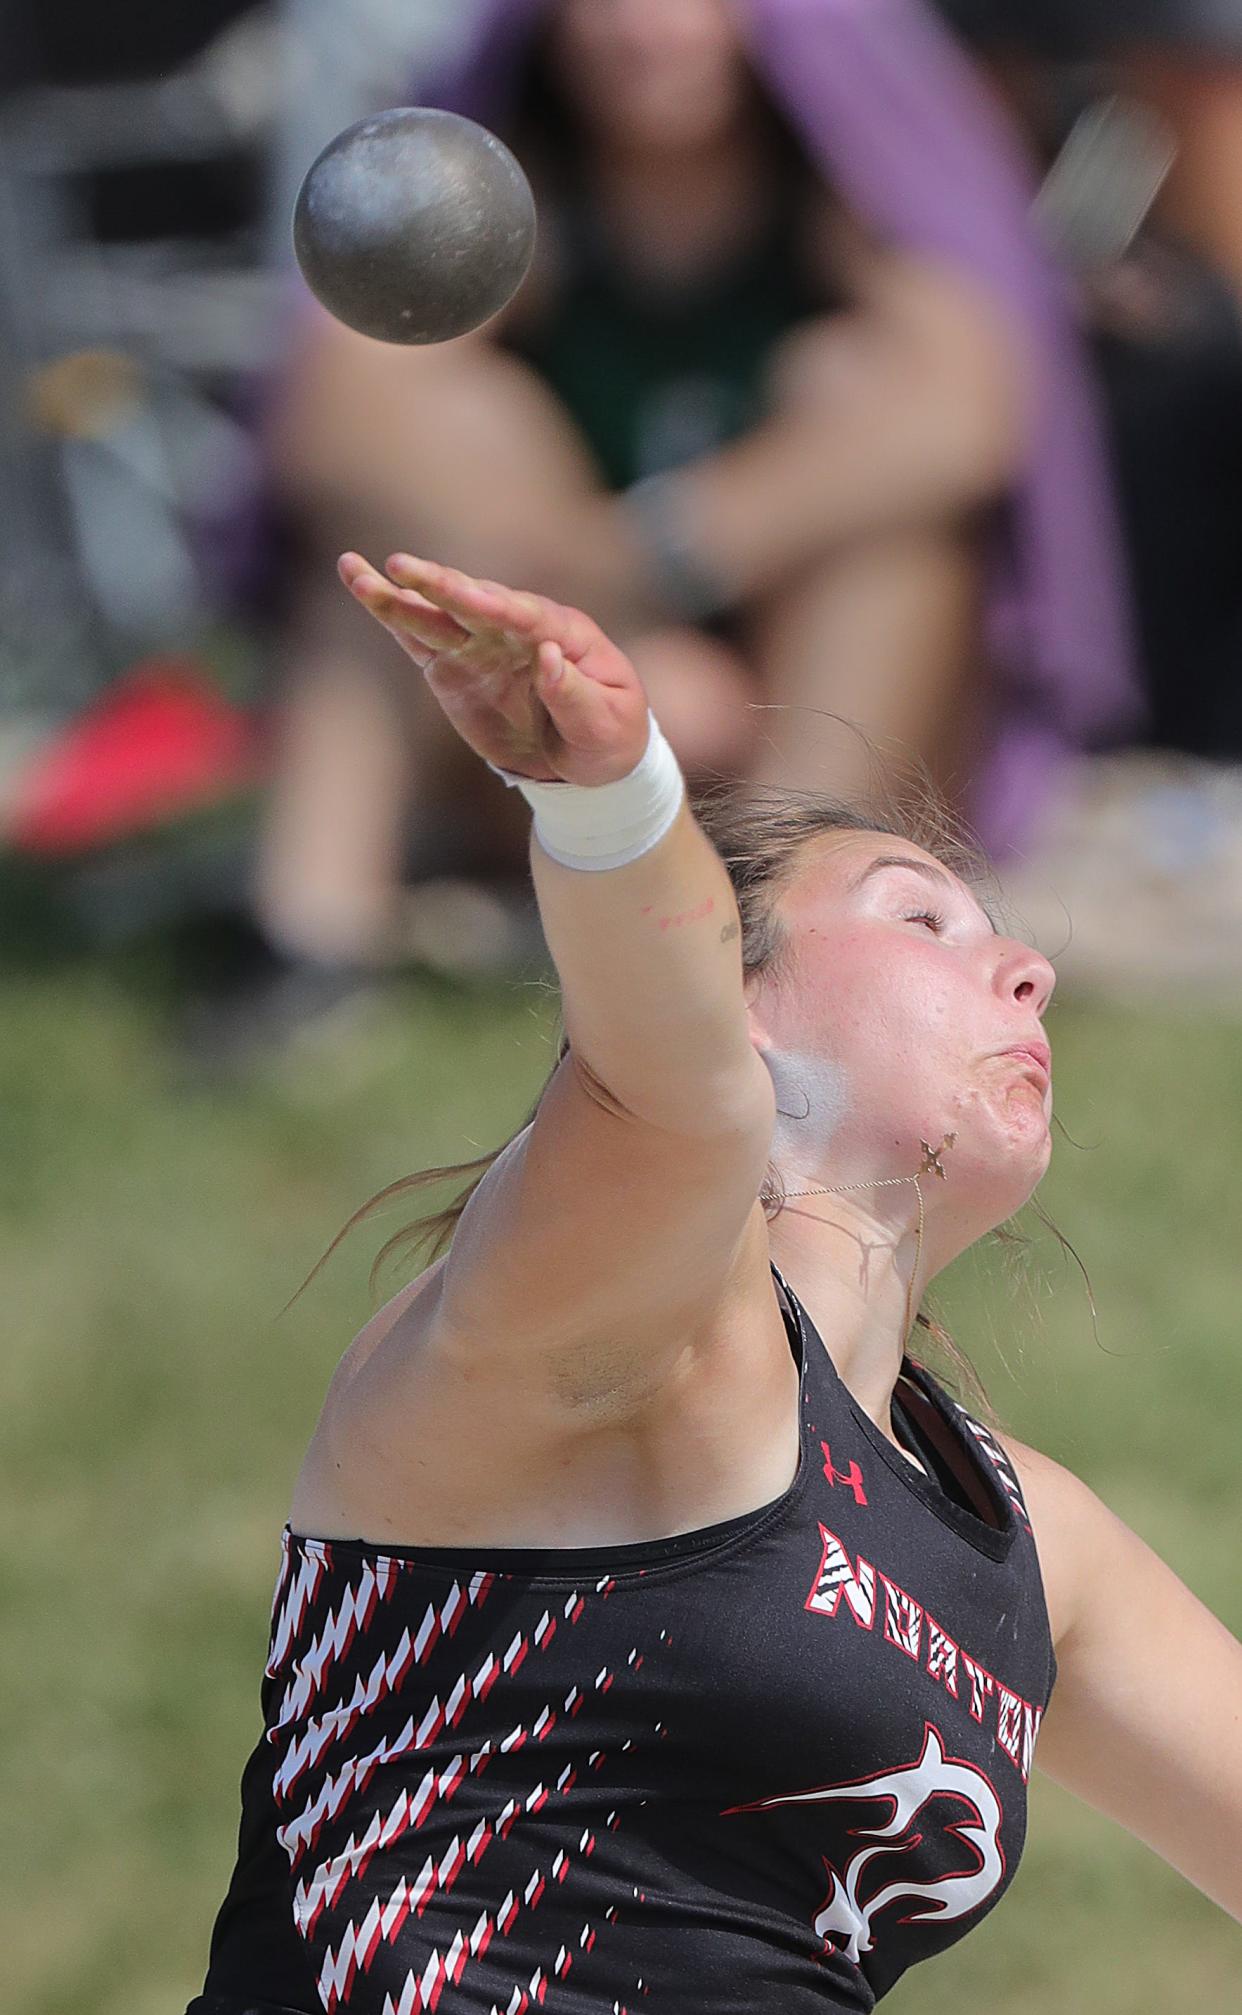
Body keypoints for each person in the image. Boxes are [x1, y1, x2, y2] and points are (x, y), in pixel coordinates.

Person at [189, 549, 1242, 2015]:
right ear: (739, 1008)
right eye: (918, 917)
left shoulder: (1027, 1541)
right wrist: (615, 802)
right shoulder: (622, 1325)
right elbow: (670, 1079)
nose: (1027, 969)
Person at [252, 0, 1137, 985]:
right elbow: (331, 411)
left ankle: (788, 939)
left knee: (873, 449)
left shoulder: (834, 187)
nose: (646, 29)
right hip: (564, 714)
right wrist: (601, 629)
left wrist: (674, 543)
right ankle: (308, 947)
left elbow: (970, 406)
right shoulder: (525, 186)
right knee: (411, 499)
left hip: (787, 716)